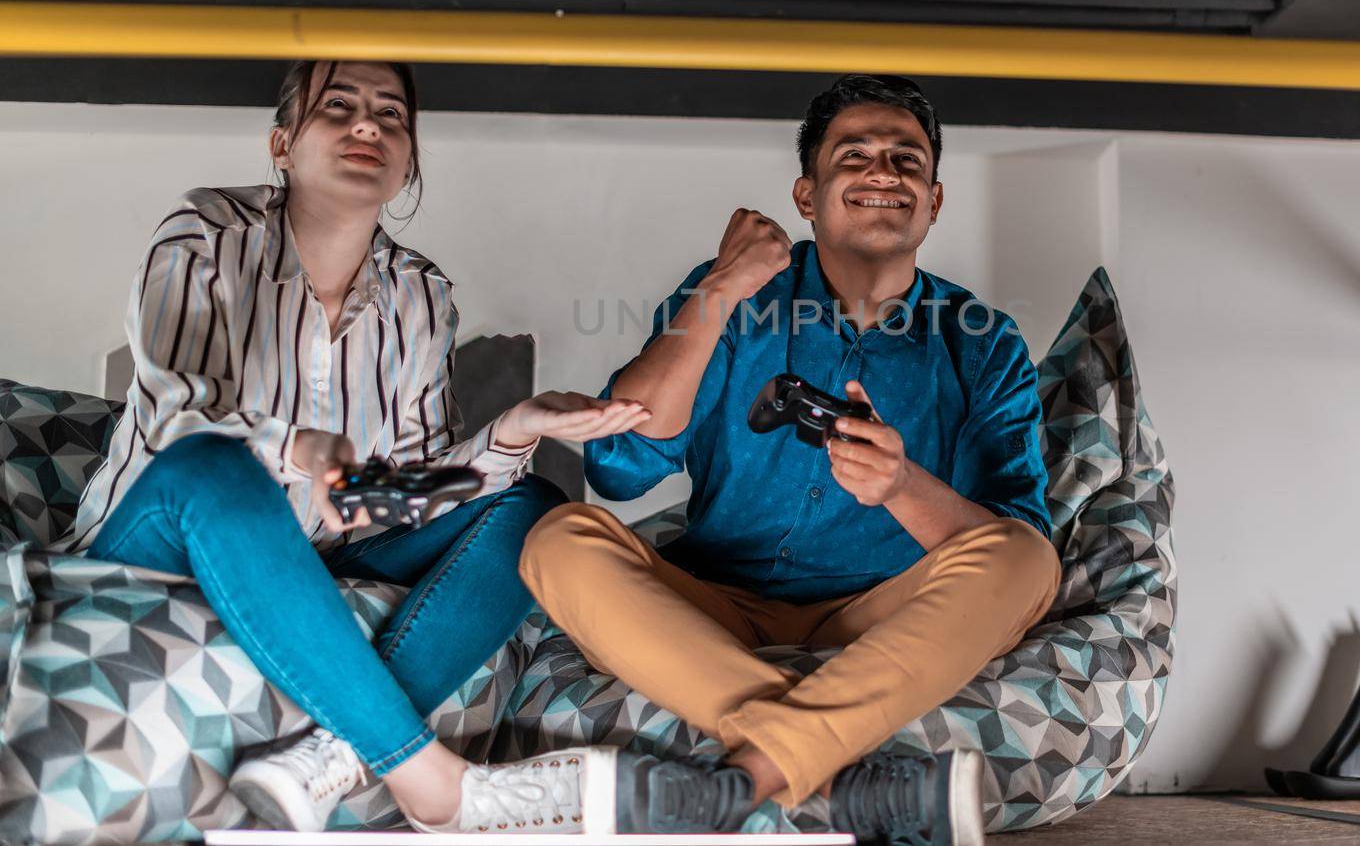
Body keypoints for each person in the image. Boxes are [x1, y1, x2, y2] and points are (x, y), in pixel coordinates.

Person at [63, 60, 652, 834]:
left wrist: (514, 429)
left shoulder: (421, 296)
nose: (368, 125)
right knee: (213, 468)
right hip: (158, 540)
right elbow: (181, 419)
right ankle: (427, 774)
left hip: (323, 550)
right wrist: (300, 448)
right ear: (283, 143)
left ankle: (333, 754)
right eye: (337, 106)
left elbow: (395, 498)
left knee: (534, 506)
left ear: (408, 160)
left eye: (391, 115)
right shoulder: (205, 233)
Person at [519, 74, 1062, 846]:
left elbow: (1015, 536)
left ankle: (742, 780)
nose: (884, 173)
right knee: (555, 537)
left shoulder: (982, 340)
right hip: (716, 605)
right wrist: (723, 281)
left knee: (1029, 562)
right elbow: (619, 467)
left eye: (907, 160)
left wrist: (903, 486)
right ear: (806, 196)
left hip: (881, 614)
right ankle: (834, 777)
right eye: (856, 155)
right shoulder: (730, 301)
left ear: (934, 200)